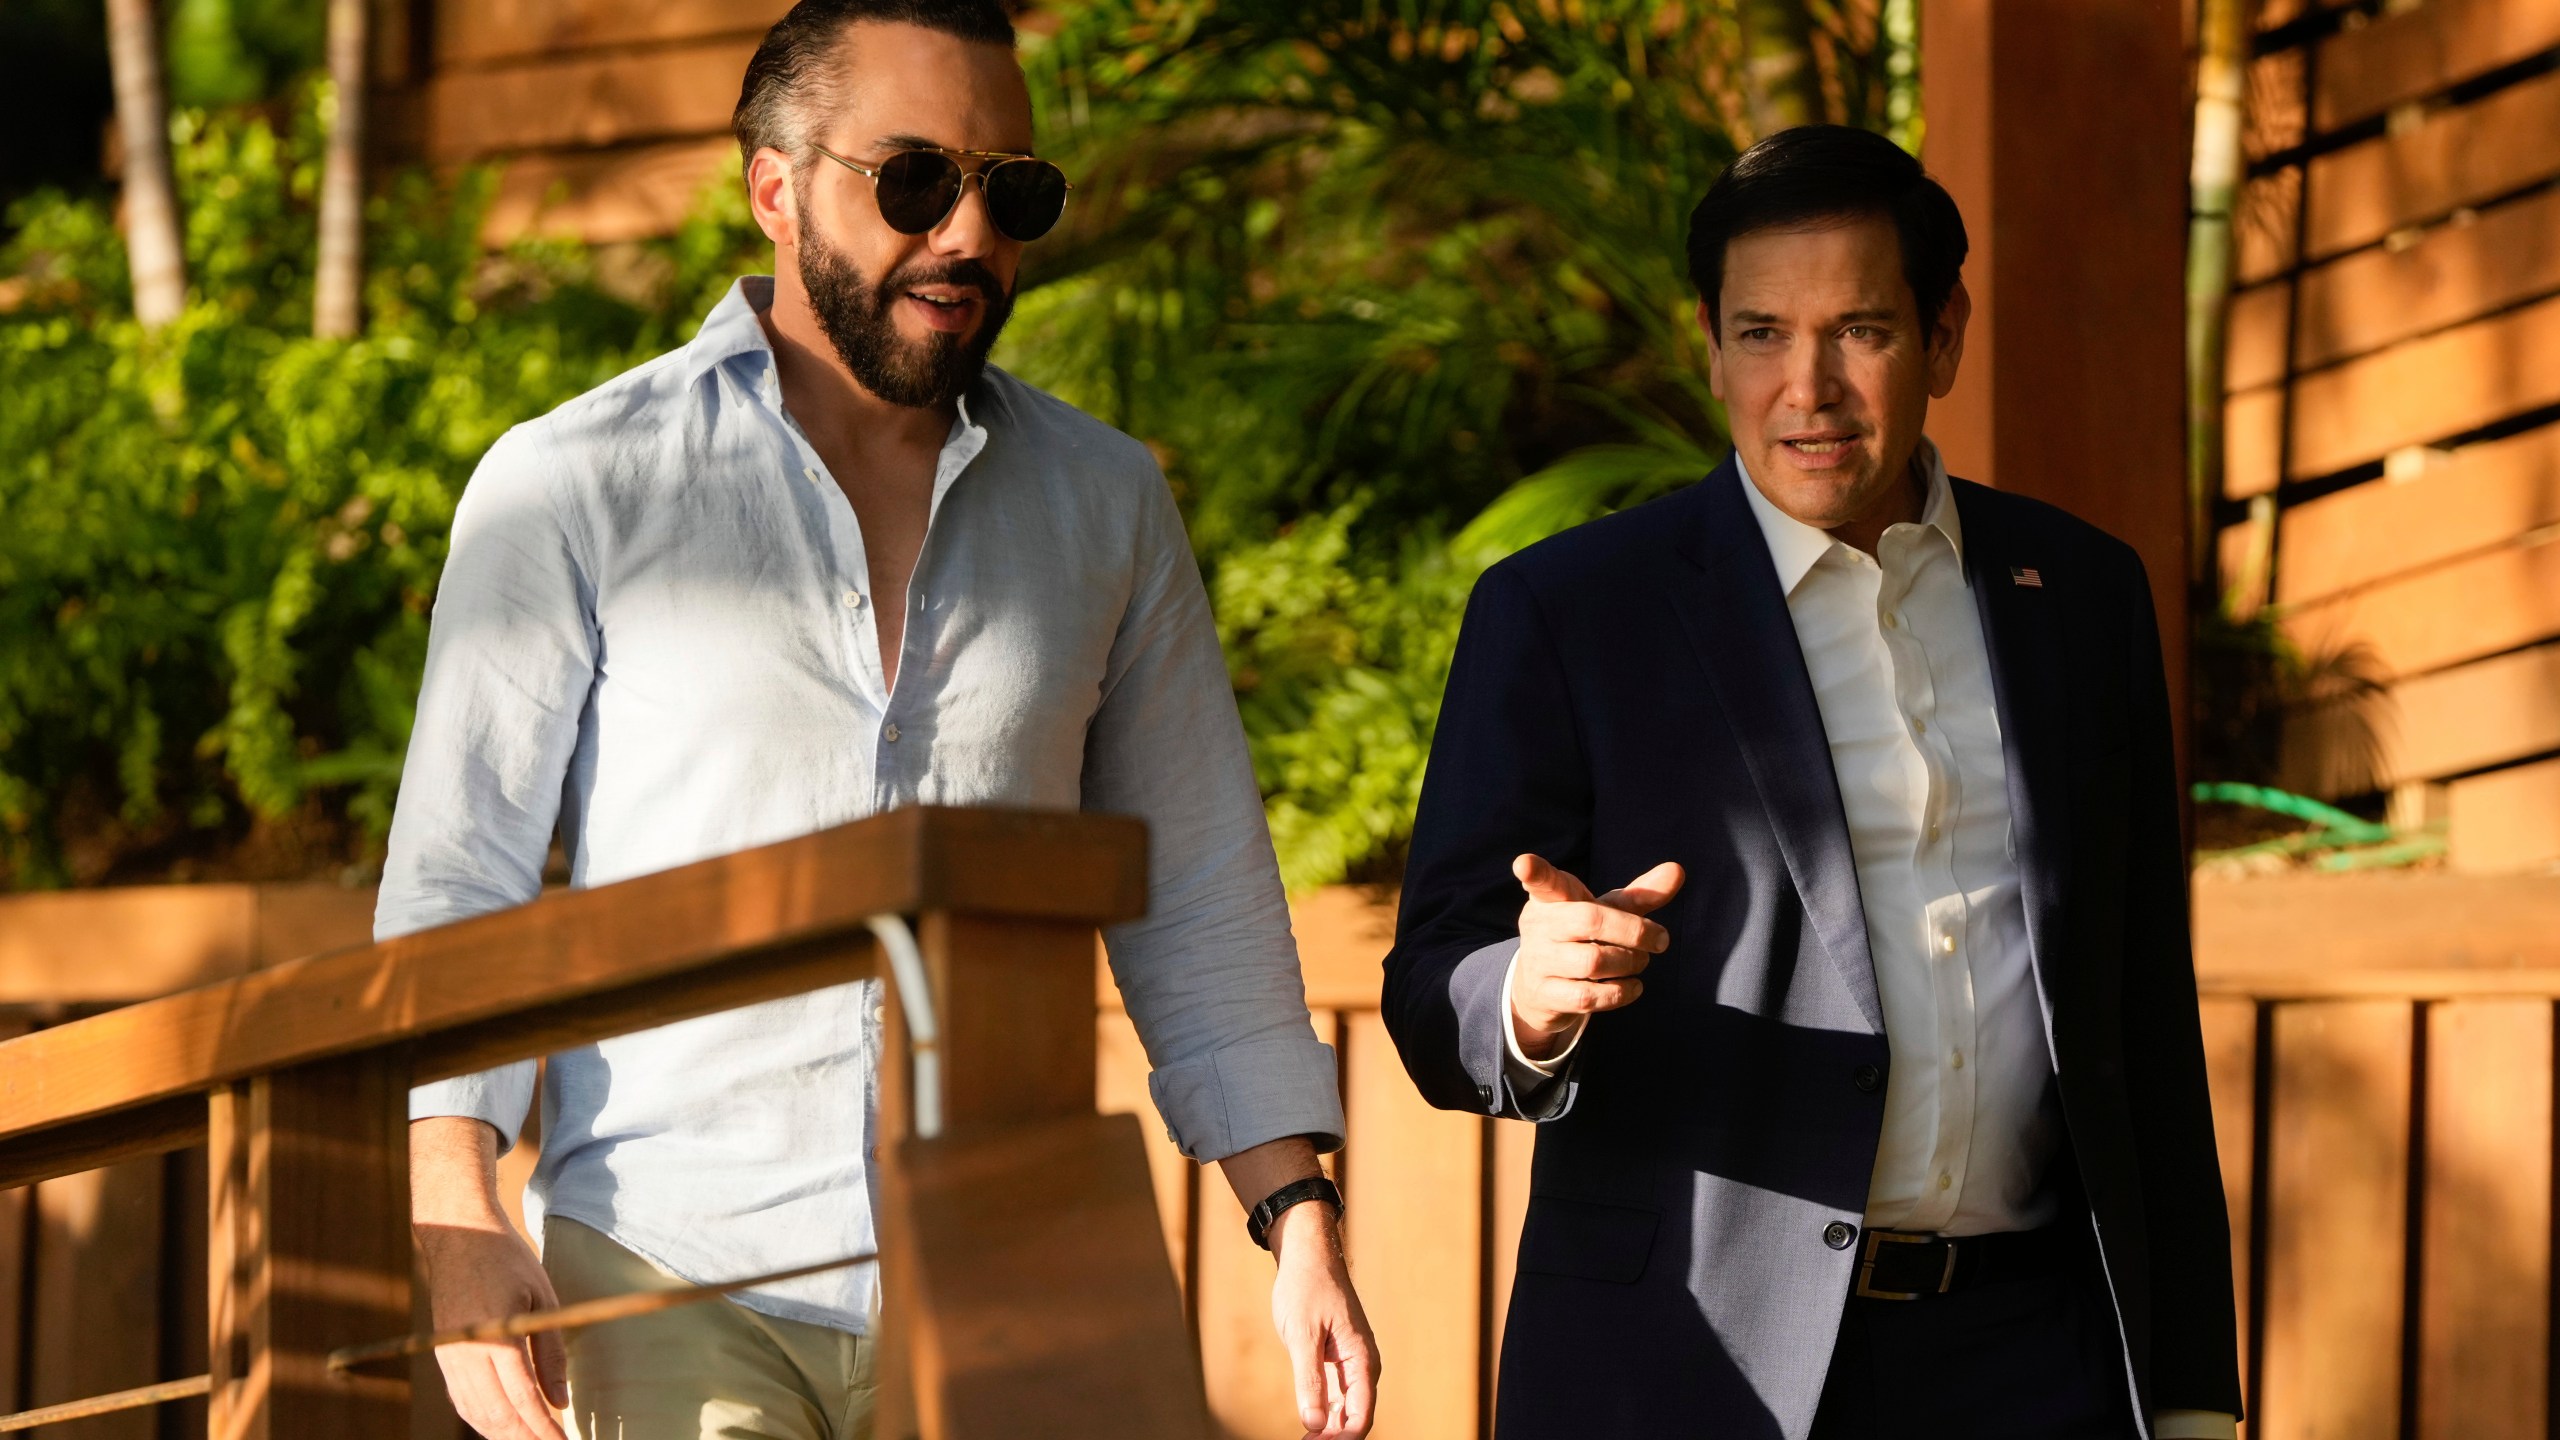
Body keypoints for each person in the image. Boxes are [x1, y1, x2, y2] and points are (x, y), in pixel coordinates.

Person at [383, 4, 1379, 1437]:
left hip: (1008, 1270)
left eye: (1010, 191)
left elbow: (1201, 890)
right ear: (777, 190)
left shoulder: (1106, 505)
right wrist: (455, 1211)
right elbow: (461, 874)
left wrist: (1298, 1221)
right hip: (678, 1266)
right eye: (915, 180)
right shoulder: (572, 483)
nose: (968, 234)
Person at [1382, 124, 2242, 1440]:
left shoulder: (2081, 594)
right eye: (1763, 334)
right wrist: (1527, 996)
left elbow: (2140, 1005)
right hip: (1695, 1368)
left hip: (2038, 1360)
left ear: (1943, 335)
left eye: (1861, 330)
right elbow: (1434, 973)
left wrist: (2185, 1390)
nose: (1810, 389)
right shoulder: (1569, 612)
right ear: (1712, 347)